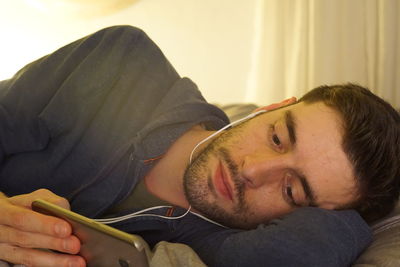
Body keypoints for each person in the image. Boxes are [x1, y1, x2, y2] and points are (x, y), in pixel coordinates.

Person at [0, 25, 398, 267]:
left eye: (291, 189)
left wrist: (347, 216)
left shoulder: (221, 244)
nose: (252, 170)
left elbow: (305, 256)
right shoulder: (119, 62)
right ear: (273, 106)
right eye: (277, 138)